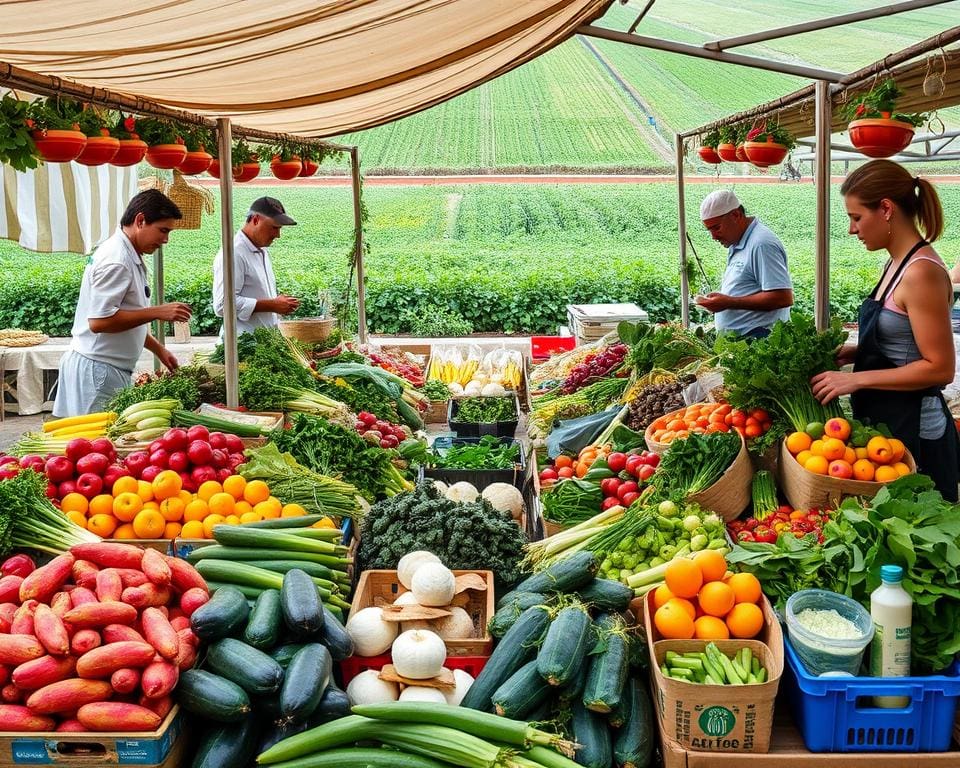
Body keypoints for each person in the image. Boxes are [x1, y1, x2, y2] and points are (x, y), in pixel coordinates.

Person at [811, 160, 958, 500]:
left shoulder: (921, 273)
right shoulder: (894, 263)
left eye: (857, 217)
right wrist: (854, 353)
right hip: (886, 421)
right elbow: (900, 342)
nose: (852, 229)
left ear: (887, 209)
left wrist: (855, 379)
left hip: (915, 429)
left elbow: (940, 368)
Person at [53, 189, 192, 417]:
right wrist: (157, 312)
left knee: (100, 444)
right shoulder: (117, 260)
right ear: (140, 220)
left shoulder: (126, 254)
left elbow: (124, 315)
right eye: (163, 230)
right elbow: (100, 322)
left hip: (103, 368)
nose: (165, 240)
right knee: (95, 444)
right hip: (98, 370)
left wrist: (159, 349)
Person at [695, 189, 794, 339]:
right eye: (709, 230)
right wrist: (721, 301)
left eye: (716, 228)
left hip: (759, 339)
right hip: (742, 340)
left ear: (736, 215)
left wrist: (728, 302)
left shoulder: (762, 244)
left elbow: (783, 297)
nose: (713, 236)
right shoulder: (738, 242)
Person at [212, 196, 300, 336]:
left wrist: (277, 304)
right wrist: (272, 305)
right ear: (255, 220)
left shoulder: (262, 249)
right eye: (274, 228)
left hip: (263, 340)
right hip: (242, 343)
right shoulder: (234, 253)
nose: (277, 235)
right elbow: (222, 305)